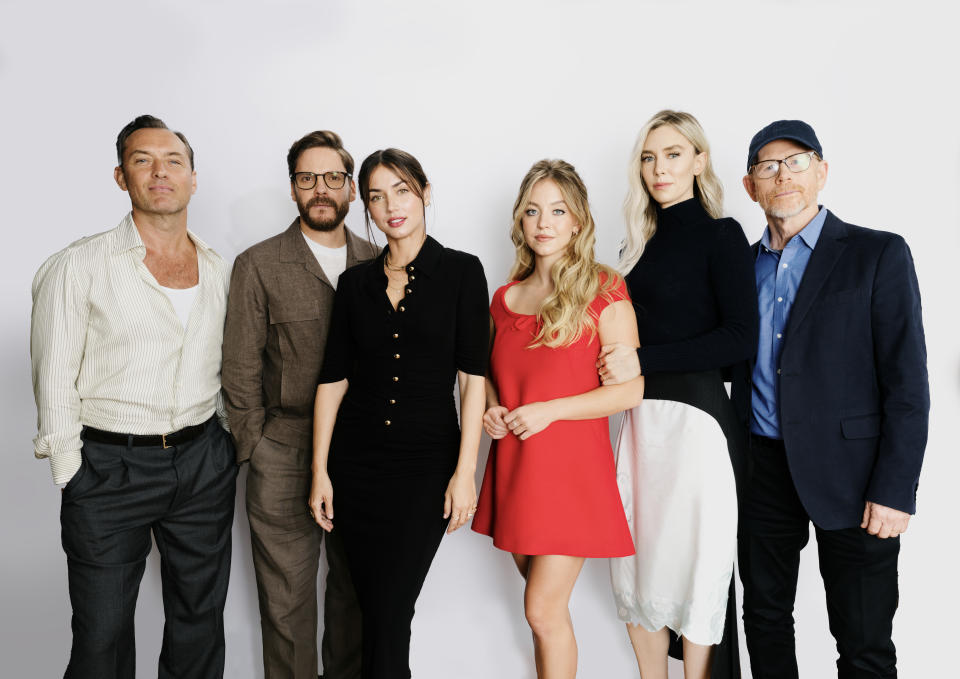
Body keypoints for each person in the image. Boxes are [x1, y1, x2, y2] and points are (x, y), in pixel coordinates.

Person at [30, 115, 238, 679]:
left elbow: (224, 365)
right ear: (121, 178)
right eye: (143, 161)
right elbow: (53, 376)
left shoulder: (220, 271)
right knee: (102, 636)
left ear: (194, 178)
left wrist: (221, 446)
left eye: (173, 161)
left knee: (199, 621)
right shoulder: (78, 266)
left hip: (201, 463)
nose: (160, 172)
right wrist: (73, 471)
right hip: (108, 466)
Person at [731, 120, 928, 678]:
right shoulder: (740, 269)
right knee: (765, 620)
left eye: (796, 162)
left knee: (864, 640)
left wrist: (895, 488)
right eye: (768, 166)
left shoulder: (876, 254)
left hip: (856, 475)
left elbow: (907, 382)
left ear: (821, 172)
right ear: (751, 186)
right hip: (762, 467)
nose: (783, 175)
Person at [307, 148, 489, 679]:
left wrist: (465, 472)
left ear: (425, 192)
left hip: (424, 470)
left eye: (402, 191)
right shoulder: (354, 284)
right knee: (375, 614)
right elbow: (333, 380)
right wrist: (320, 471)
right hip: (355, 469)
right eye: (376, 196)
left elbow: (472, 380)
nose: (391, 206)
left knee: (390, 612)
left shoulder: (461, 272)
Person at [598, 110, 758, 679]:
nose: (658, 168)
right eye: (648, 156)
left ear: (698, 160)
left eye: (671, 153)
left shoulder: (722, 235)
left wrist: (643, 360)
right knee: (638, 567)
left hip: (700, 425)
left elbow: (740, 337)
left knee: (697, 567)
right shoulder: (634, 245)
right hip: (640, 421)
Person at [472, 159, 643, 679]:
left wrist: (549, 412)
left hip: (572, 474)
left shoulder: (605, 289)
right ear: (520, 223)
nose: (544, 222)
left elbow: (630, 389)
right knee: (545, 614)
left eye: (557, 210)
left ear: (578, 221)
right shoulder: (504, 299)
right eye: (532, 211)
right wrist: (495, 410)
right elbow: (496, 378)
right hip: (518, 469)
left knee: (540, 610)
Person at [222, 130, 376, 679]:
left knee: (355, 598)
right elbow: (238, 370)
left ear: (351, 190)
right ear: (292, 189)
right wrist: (256, 448)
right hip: (283, 452)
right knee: (286, 607)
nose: (320, 189)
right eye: (307, 178)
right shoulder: (258, 264)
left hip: (360, 454)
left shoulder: (379, 261)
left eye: (332, 177)